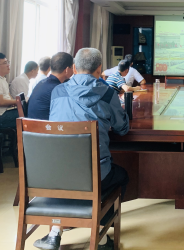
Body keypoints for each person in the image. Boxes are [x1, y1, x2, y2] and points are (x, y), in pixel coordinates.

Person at [42, 48, 129, 250]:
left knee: (71, 176)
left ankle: (56, 231)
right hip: (94, 175)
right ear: (99, 69)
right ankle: (100, 233)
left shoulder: (57, 91)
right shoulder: (108, 93)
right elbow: (122, 129)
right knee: (121, 176)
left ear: (74, 68)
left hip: (55, 173)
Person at [27, 52, 74, 120]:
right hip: (46, 125)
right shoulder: (58, 89)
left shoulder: (42, 82)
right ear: (67, 70)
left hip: (31, 125)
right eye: (72, 67)